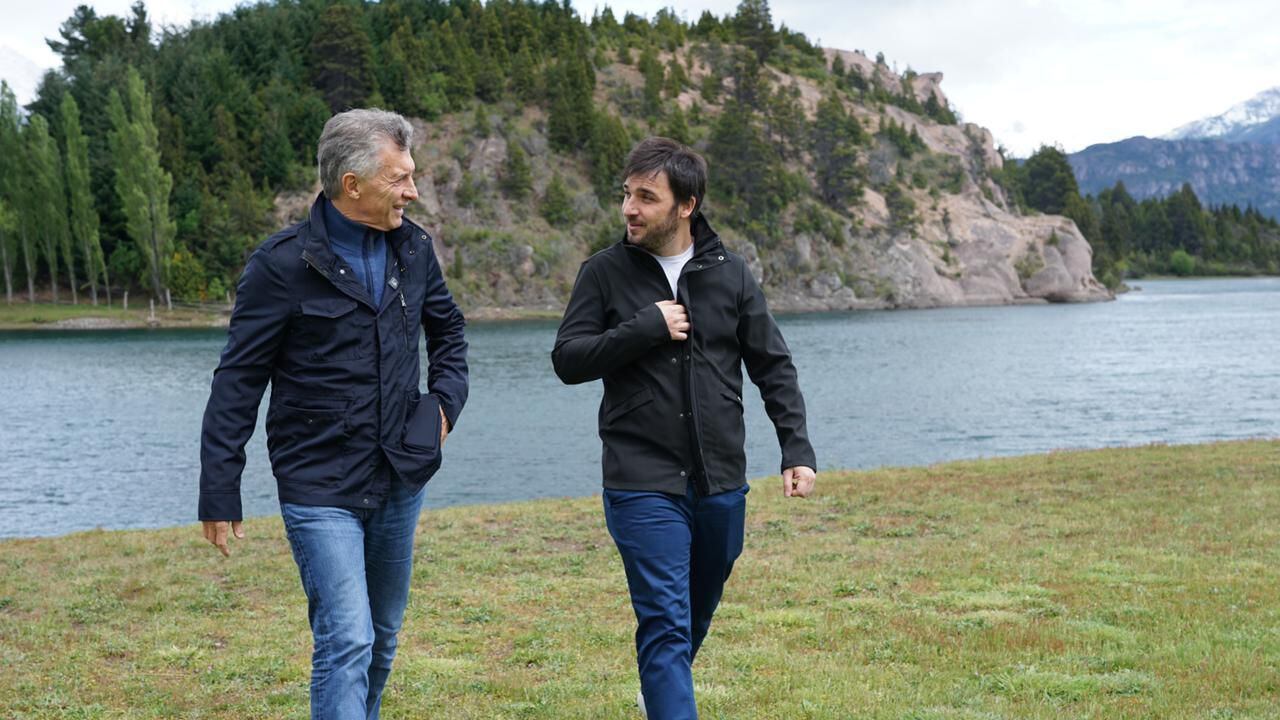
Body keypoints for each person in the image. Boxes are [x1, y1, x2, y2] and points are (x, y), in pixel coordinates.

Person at [198, 108, 468, 720]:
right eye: (400, 179)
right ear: (353, 185)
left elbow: (449, 333)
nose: (413, 192)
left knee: (381, 636)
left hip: (401, 473)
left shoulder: (415, 249)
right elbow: (239, 380)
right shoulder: (281, 264)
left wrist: (443, 407)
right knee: (347, 639)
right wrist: (220, 487)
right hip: (319, 482)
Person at [552, 137, 817, 719]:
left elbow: (772, 365)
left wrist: (795, 448)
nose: (630, 209)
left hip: (721, 480)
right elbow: (568, 359)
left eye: (647, 197)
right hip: (640, 479)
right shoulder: (603, 273)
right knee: (665, 622)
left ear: (686, 205)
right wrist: (643, 328)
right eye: (627, 195)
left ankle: (661, 689)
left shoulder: (731, 274)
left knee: (690, 616)